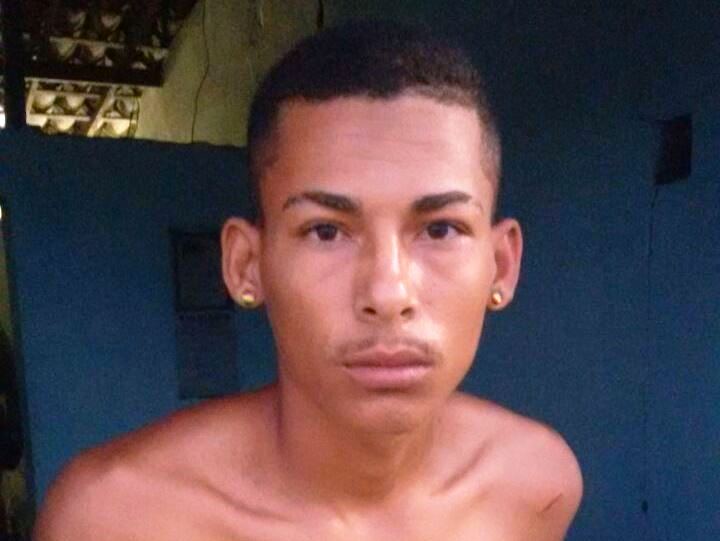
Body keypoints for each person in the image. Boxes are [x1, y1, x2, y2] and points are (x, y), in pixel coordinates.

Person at [34, 20, 583, 541]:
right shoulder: (115, 518)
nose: (388, 294)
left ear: (501, 265)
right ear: (246, 265)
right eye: (326, 231)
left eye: (440, 229)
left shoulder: (535, 486)